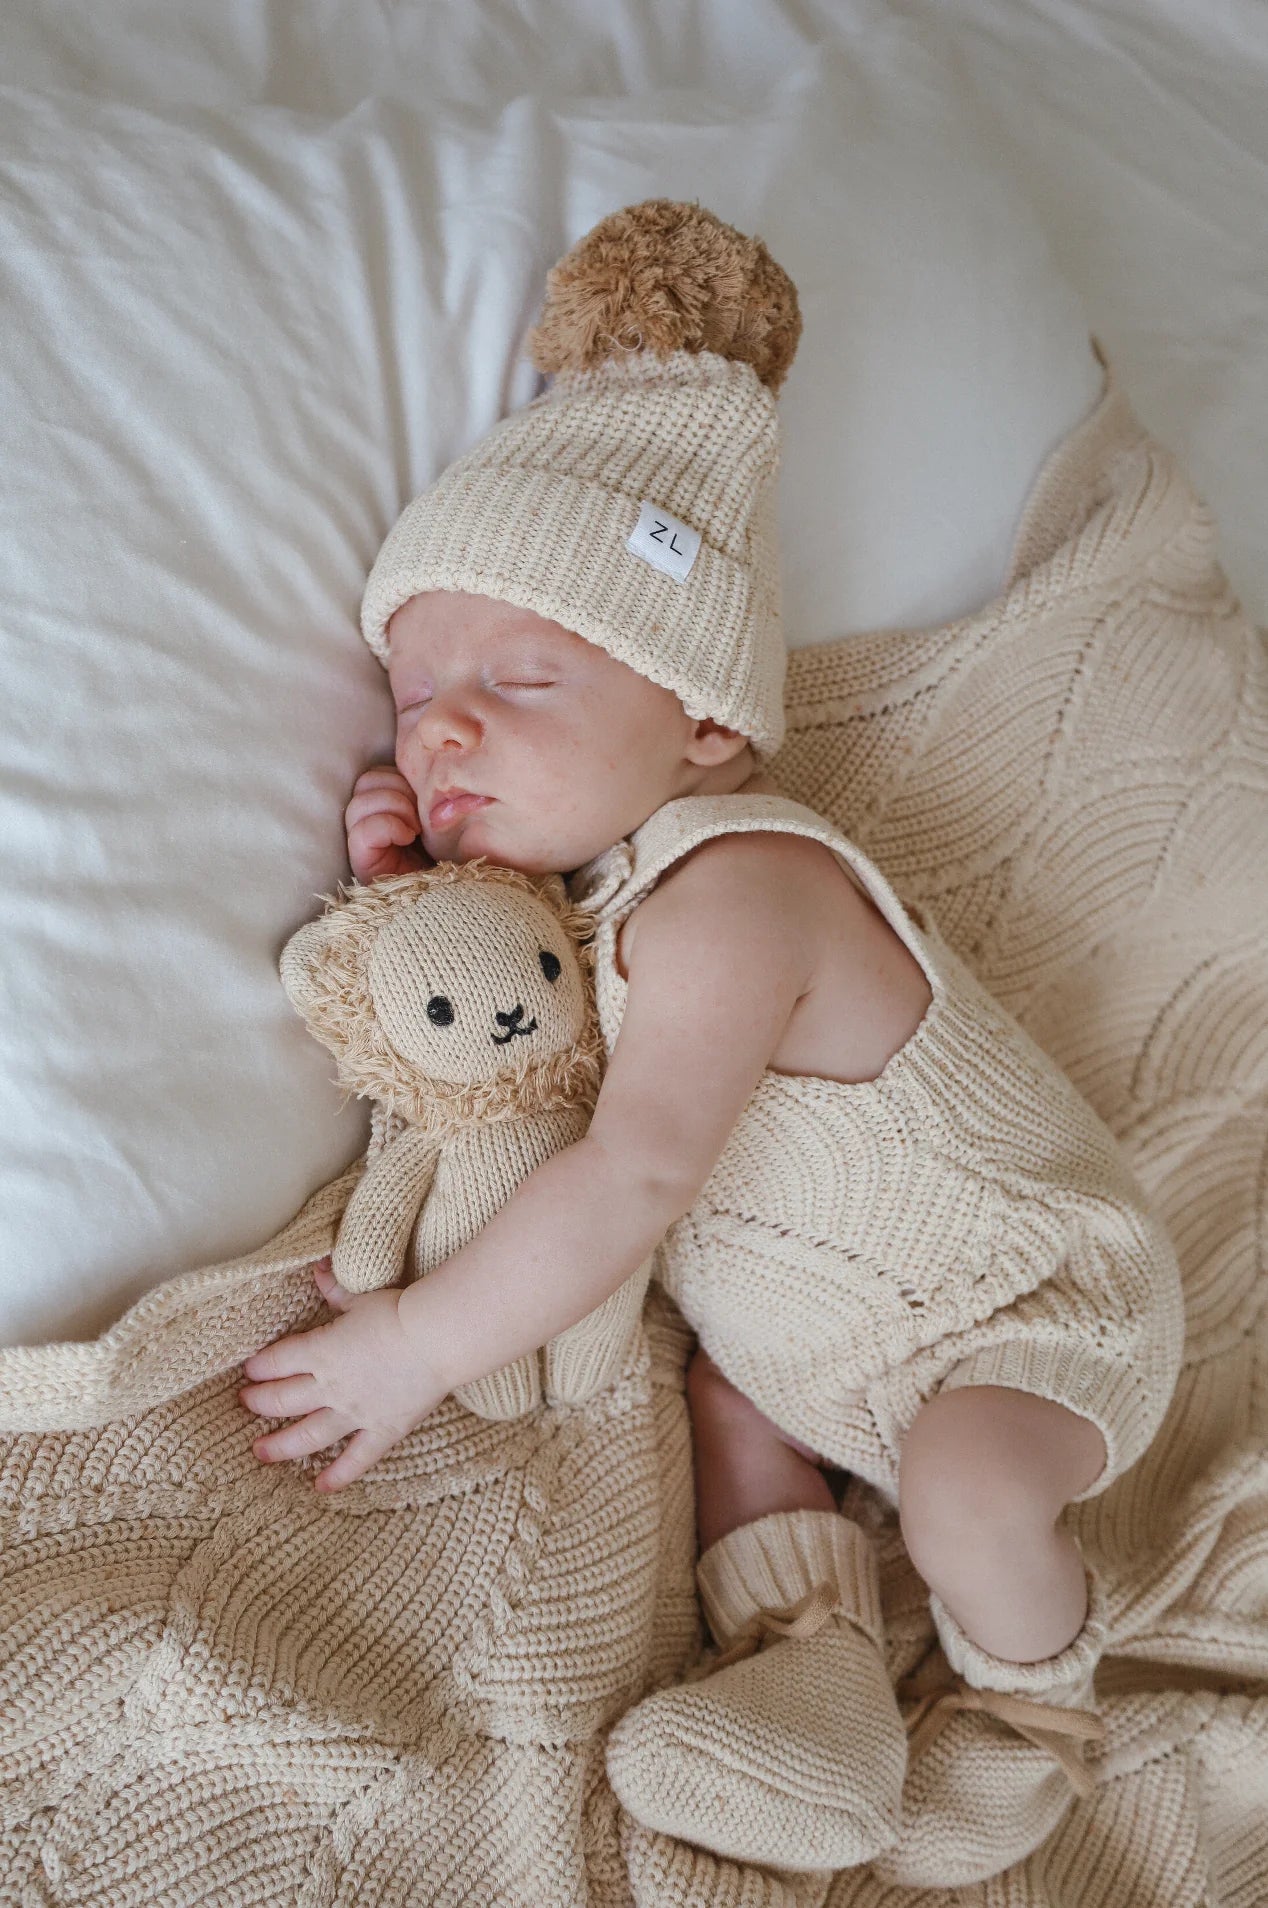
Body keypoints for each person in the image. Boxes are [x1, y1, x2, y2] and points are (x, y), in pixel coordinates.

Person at [238, 199, 1184, 1883]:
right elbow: (498, 1027)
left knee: (966, 1489)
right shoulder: (598, 896)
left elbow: (636, 1161)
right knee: (730, 1394)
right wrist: (409, 887)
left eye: (520, 679)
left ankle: (1037, 1708)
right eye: (414, 689)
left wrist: (415, 1350)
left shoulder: (743, 887)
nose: (443, 721)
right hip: (815, 1344)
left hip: (1021, 1314)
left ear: (705, 721)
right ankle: (807, 1668)